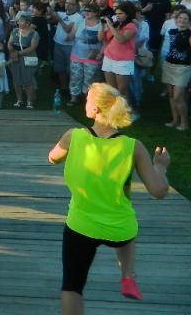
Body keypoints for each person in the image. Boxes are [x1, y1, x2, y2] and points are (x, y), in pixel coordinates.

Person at [48, 83, 170, 312]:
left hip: (81, 227)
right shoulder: (133, 147)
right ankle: (128, 275)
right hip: (120, 229)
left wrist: (63, 155)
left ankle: (126, 274)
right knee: (128, 230)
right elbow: (159, 191)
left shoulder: (73, 137)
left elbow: (52, 158)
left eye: (87, 99)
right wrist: (160, 167)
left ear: (95, 109)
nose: (85, 102)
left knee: (72, 287)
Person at [99, 1, 137, 103]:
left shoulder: (131, 26)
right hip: (109, 58)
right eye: (116, 13)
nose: (117, 16)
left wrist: (110, 26)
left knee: (122, 90)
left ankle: (126, 110)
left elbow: (121, 40)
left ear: (128, 14)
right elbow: (102, 38)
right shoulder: (116, 24)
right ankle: (114, 109)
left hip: (123, 61)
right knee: (111, 89)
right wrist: (102, 26)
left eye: (120, 13)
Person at [161, 10, 191, 130]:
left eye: (185, 18)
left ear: (189, 21)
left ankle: (184, 123)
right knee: (171, 95)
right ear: (176, 19)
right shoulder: (172, 31)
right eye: (180, 18)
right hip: (169, 65)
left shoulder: (189, 34)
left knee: (178, 96)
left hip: (183, 68)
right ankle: (175, 120)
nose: (182, 20)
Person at [68, 4, 103, 107]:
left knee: (90, 79)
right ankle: (74, 98)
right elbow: (71, 35)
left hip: (92, 57)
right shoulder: (79, 22)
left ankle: (89, 100)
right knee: (75, 77)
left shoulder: (100, 24)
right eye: (85, 10)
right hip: (76, 55)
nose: (86, 13)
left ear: (96, 13)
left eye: (89, 11)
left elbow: (102, 41)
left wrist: (101, 54)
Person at [7, 13, 40, 109]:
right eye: (19, 21)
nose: (18, 23)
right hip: (15, 58)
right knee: (16, 79)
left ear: (28, 23)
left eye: (21, 21)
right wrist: (12, 51)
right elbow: (9, 43)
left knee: (28, 79)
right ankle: (19, 100)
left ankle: (29, 101)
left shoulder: (34, 33)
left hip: (27, 58)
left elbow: (32, 47)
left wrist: (18, 53)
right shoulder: (15, 31)